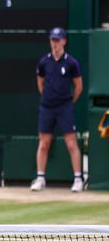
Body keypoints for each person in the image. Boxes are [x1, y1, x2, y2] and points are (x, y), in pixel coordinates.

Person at [30, 27, 84, 192]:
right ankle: (40, 178)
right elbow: (40, 83)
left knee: (71, 143)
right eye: (53, 40)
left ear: (64, 41)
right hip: (47, 107)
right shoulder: (43, 62)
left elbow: (78, 87)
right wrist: (48, 98)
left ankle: (78, 179)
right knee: (44, 143)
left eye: (58, 40)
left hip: (65, 107)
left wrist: (68, 102)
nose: (55, 43)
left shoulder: (72, 63)